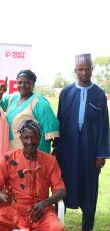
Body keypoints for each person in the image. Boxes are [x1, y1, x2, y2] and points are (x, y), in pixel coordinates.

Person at [55, 53, 109, 231]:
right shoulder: (66, 92)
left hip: (90, 151)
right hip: (67, 150)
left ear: (92, 69)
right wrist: (57, 148)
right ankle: (56, 224)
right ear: (75, 70)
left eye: (87, 69)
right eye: (80, 69)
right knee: (62, 185)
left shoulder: (99, 94)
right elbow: (59, 121)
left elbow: (104, 125)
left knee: (90, 189)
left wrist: (101, 153)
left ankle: (87, 226)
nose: (84, 72)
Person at [0, 120, 66, 231]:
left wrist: (44, 204)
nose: (30, 141)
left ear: (39, 138)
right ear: (21, 138)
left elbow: (61, 191)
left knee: (56, 228)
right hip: (13, 209)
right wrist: (3, 197)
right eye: (26, 137)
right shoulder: (8, 158)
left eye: (34, 137)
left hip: (42, 211)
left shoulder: (50, 160)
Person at [0, 70, 59, 153]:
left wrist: (53, 153)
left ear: (33, 84)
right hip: (12, 152)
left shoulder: (39, 102)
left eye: (27, 83)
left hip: (33, 155)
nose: (22, 85)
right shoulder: (12, 98)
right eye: (20, 82)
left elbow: (52, 128)